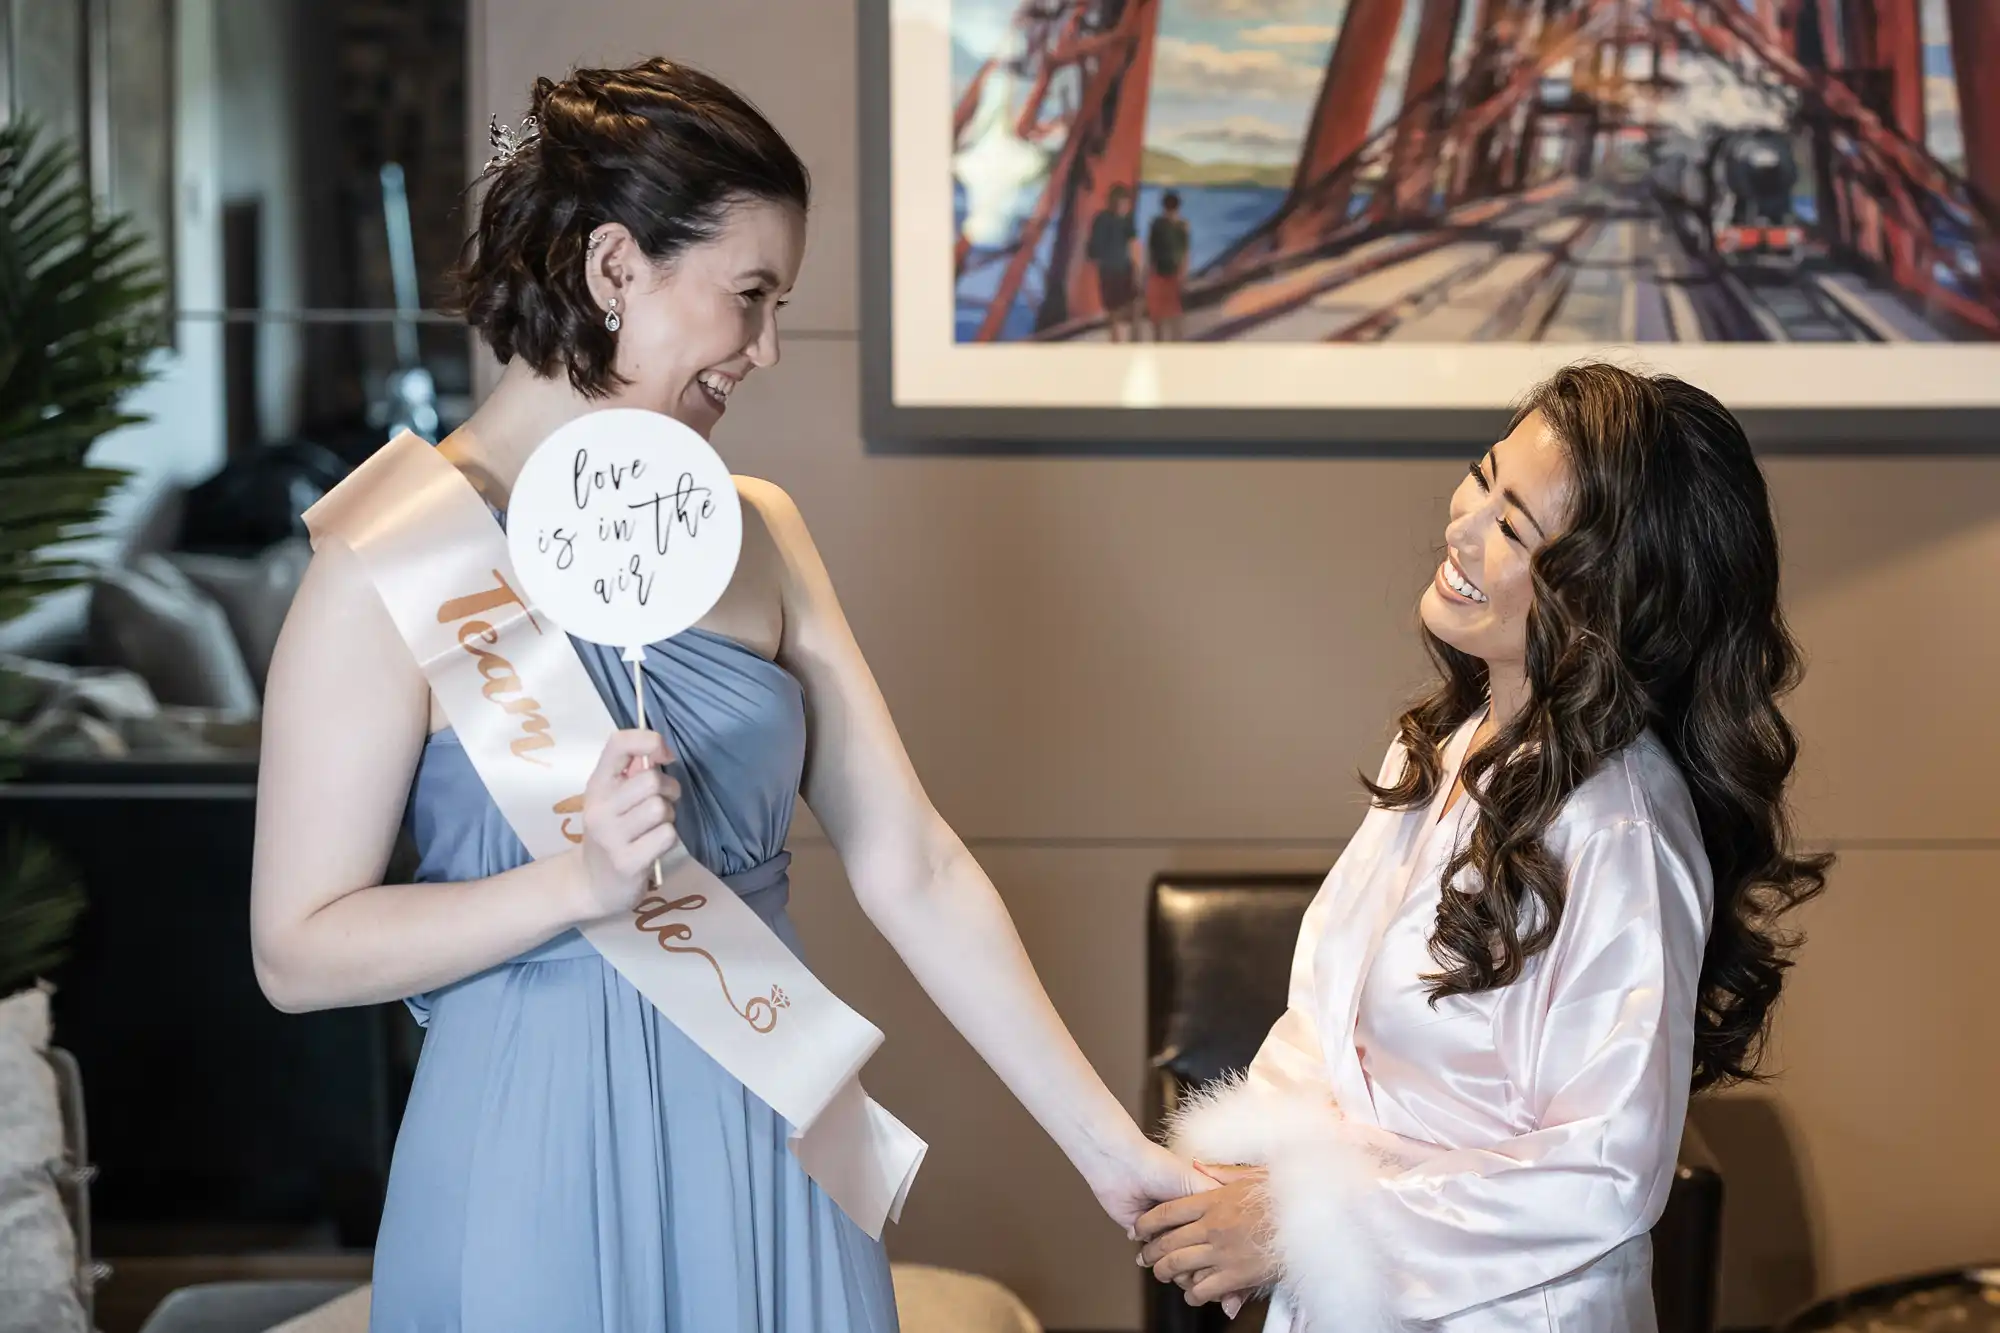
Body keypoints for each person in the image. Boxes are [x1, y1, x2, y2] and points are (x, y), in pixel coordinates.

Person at [249, 58, 1197, 1332]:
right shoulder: (387, 561)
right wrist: (573, 887)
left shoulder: (760, 534)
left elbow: (910, 863)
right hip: (527, 1155)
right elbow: (295, 950)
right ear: (613, 270)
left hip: (774, 1139)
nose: (765, 349)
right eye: (749, 297)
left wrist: (1108, 1151)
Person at [1134, 363, 1830, 1331]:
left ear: (1605, 601)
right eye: (1481, 477)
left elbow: (1604, 1171)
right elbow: (1325, 1019)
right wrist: (1242, 1169)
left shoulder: (1621, 829)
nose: (1459, 526)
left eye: (1511, 528)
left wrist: (1299, 1221)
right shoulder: (1445, 746)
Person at [1084, 184, 1140, 341]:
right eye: (1122, 203)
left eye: (1126, 203)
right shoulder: (1102, 219)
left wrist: (1137, 267)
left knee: (1134, 304)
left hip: (1124, 268)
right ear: (1114, 202)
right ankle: (1117, 341)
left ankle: (1133, 338)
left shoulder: (1127, 219)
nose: (1125, 206)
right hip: (1110, 271)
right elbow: (1093, 250)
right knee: (1114, 311)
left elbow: (1133, 244)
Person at [1145, 191, 1189, 342]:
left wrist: (1183, 273)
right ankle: (1166, 346)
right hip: (1162, 274)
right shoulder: (1174, 225)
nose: (1171, 213)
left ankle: (1170, 345)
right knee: (1163, 316)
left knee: (1170, 315)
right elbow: (1184, 253)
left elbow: (1184, 252)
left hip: (1168, 274)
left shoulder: (1175, 225)